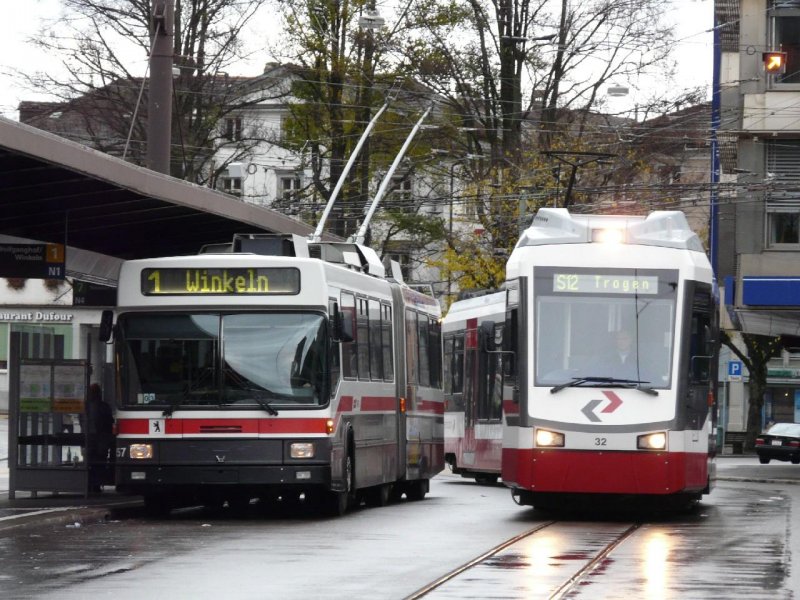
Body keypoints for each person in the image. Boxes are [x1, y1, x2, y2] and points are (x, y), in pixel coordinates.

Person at [85, 383, 114, 493]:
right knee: (100, 462)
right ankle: (97, 484)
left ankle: (89, 484)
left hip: (90, 439)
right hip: (102, 440)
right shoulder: (104, 406)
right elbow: (109, 422)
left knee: (90, 461)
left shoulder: (86, 406)